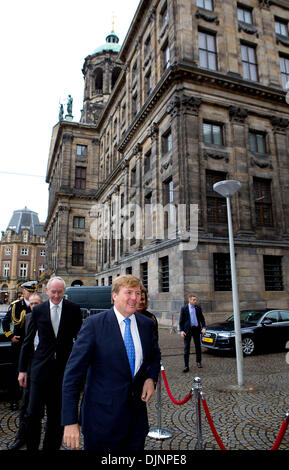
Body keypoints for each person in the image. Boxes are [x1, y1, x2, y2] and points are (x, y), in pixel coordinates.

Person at [62, 274, 161, 451]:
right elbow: (73, 375)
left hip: (136, 422)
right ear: (114, 295)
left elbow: (154, 355)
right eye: (128, 292)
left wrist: (151, 378)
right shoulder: (93, 325)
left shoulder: (146, 324)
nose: (134, 298)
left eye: (137, 293)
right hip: (101, 423)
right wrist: (70, 421)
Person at [18, 276, 82, 450]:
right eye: (53, 292)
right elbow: (28, 341)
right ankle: (32, 447)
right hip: (39, 371)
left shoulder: (73, 309)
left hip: (63, 373)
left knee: (56, 416)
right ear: (47, 291)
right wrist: (22, 370)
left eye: (60, 292)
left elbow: (81, 339)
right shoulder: (38, 310)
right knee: (33, 415)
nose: (56, 295)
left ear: (64, 291)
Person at [8, 293, 42, 451]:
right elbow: (24, 344)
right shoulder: (27, 318)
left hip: (45, 369)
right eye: (32, 304)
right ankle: (21, 438)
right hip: (30, 369)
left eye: (37, 303)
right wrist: (23, 369)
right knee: (25, 407)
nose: (34, 306)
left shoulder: (49, 318)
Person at [2, 281, 37, 411]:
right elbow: (5, 322)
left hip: (33, 345)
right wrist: (10, 336)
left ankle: (30, 400)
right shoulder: (17, 306)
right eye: (29, 291)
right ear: (24, 292)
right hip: (19, 344)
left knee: (32, 372)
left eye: (34, 292)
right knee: (16, 373)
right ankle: (14, 400)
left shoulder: (38, 306)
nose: (32, 294)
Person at [179, 295, 206, 371]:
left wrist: (203, 327)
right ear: (189, 300)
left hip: (196, 329)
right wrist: (181, 331)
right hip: (187, 330)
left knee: (198, 346)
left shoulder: (198, 308)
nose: (195, 301)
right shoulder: (184, 309)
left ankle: (198, 361)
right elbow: (181, 321)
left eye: (195, 300)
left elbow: (202, 318)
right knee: (186, 348)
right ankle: (186, 366)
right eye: (194, 300)